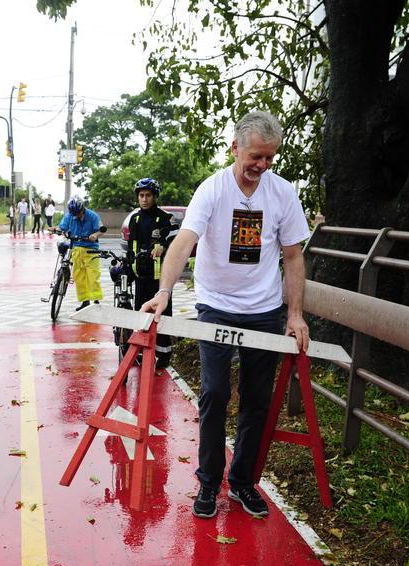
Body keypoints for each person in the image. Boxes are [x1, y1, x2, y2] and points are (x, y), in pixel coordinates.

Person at [140, 110, 311, 519]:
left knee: (256, 400)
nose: (262, 165)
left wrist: (296, 314)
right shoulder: (212, 190)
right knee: (215, 393)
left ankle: (243, 483)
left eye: (270, 158)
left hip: (265, 310)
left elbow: (292, 256)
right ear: (235, 148)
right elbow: (184, 242)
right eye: (255, 156)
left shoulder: (283, 193)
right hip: (216, 306)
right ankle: (208, 482)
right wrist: (164, 292)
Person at [126, 178, 179, 369]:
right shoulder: (135, 219)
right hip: (140, 276)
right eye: (141, 195)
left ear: (155, 196)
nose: (145, 199)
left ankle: (164, 354)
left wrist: (163, 246)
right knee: (141, 315)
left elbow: (176, 239)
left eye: (148, 195)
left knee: (162, 316)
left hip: (160, 280)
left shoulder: (166, 218)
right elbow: (130, 246)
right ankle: (139, 352)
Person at [58, 195, 103, 310]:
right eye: (74, 214)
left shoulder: (93, 216)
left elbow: (100, 229)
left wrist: (95, 235)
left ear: (82, 208)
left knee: (93, 275)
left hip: (91, 249)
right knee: (79, 277)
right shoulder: (70, 216)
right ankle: (85, 301)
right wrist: (57, 230)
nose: (76, 216)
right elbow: (62, 226)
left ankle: (96, 300)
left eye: (78, 213)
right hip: (76, 248)